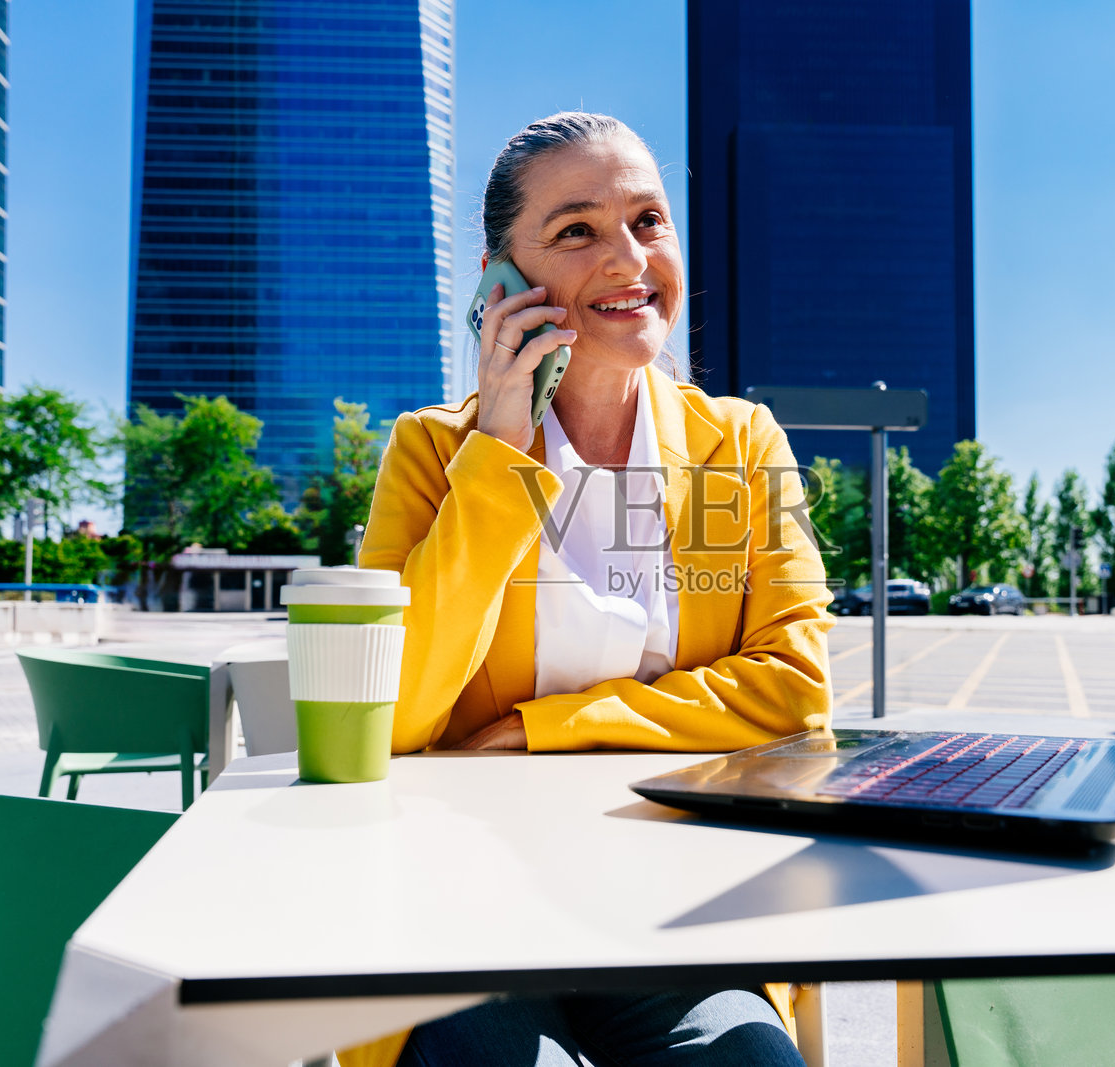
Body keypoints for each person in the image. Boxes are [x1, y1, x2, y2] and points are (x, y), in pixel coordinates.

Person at [343, 112, 832, 1067]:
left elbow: (794, 691)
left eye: (648, 220)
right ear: (500, 280)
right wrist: (500, 454)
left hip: (676, 911)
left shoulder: (740, 446)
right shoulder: (432, 453)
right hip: (460, 914)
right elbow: (389, 714)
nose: (630, 259)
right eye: (577, 230)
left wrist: (548, 725)